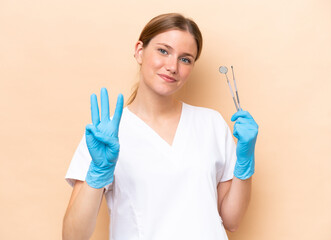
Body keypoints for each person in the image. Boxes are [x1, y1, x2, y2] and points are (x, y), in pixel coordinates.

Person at [62, 13, 259, 240]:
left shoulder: (211, 123)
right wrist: (97, 174)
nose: (172, 66)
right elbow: (73, 236)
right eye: (163, 51)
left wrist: (245, 162)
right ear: (139, 51)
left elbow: (231, 221)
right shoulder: (107, 134)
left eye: (185, 59)